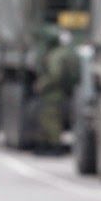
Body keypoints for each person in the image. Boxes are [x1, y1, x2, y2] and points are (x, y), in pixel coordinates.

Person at [33, 25, 78, 155]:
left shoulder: (55, 56)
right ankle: (48, 144)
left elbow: (55, 75)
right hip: (57, 93)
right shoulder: (61, 53)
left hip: (53, 94)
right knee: (48, 119)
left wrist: (42, 84)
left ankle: (55, 145)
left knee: (51, 120)